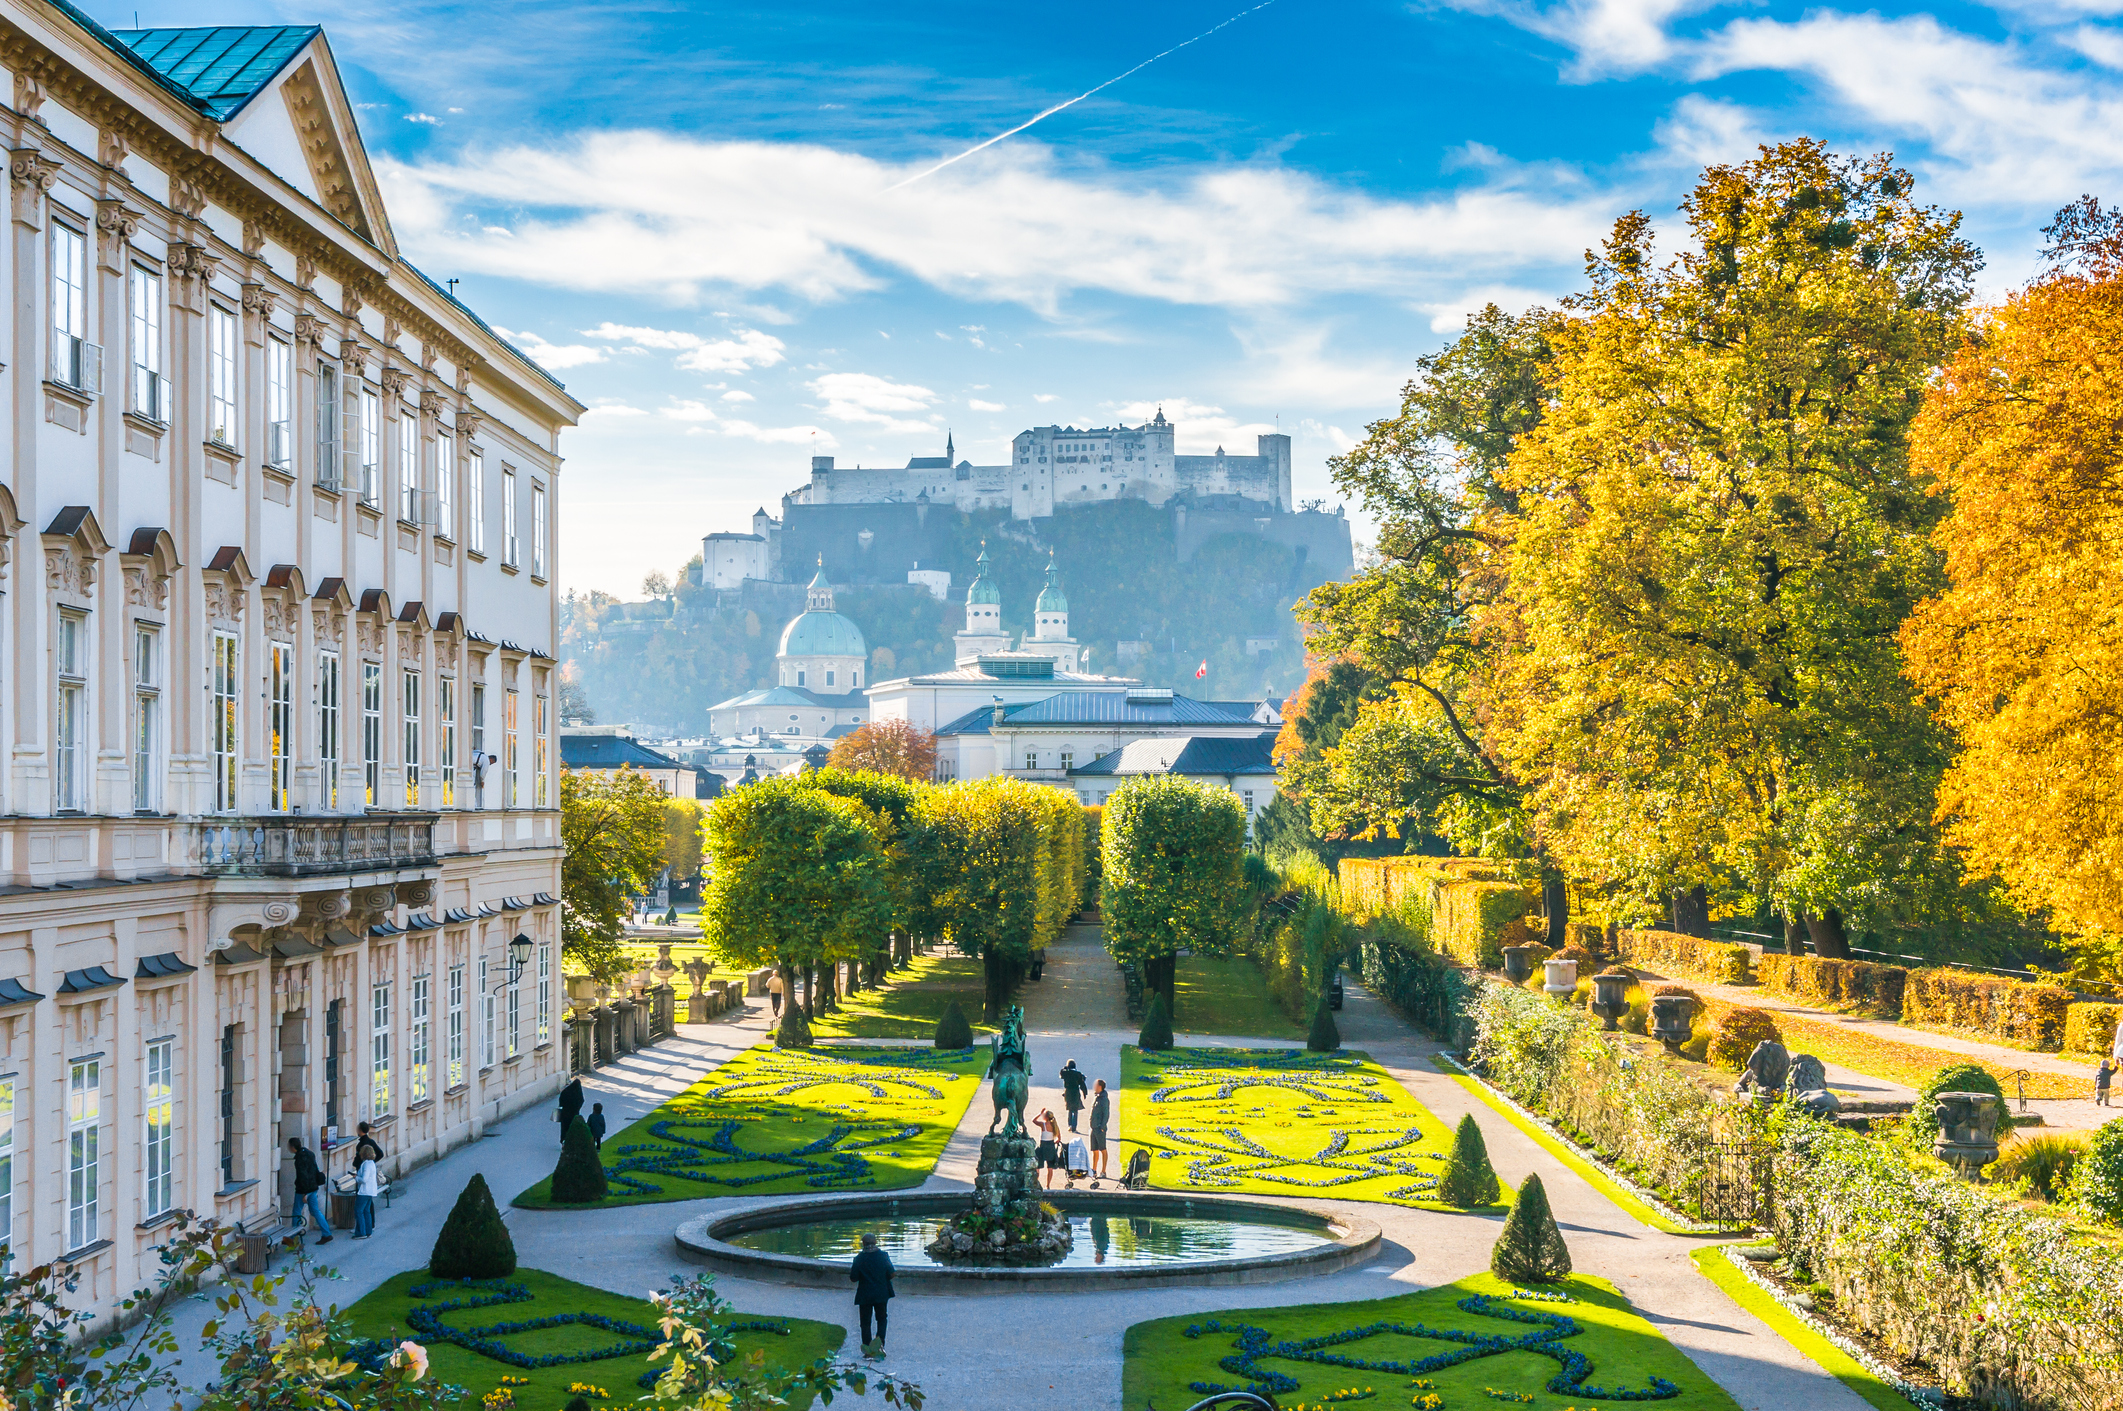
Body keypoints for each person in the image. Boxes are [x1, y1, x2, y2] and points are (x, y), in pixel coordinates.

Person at [849, 1231, 895, 1357]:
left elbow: (853, 1278)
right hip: (881, 1293)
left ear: (863, 1243)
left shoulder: (859, 1259)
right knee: (881, 1319)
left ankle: (868, 1349)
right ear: (875, 1242)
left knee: (865, 1322)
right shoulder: (883, 1256)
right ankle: (880, 1347)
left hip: (865, 1294)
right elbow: (892, 1274)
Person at [288, 1137, 332, 1244]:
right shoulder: (309, 1153)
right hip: (313, 1187)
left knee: (296, 1212)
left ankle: (294, 1239)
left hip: (303, 1189)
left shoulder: (299, 1159)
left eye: (289, 1146)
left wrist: (304, 1193)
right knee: (315, 1211)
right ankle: (327, 1234)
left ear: (293, 1147)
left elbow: (303, 1176)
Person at [1088, 1078, 1111, 1182]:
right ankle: (1094, 1169)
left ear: (1100, 1087)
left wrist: (1102, 1127)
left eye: (1096, 1085)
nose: (1094, 1086)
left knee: (1103, 1149)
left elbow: (1106, 1114)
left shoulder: (1104, 1099)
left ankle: (1104, 1171)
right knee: (1094, 1150)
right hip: (1093, 1127)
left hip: (1099, 1128)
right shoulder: (1096, 1097)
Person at [353, 1152, 380, 1239]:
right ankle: (368, 1231)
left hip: (364, 1191)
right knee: (366, 1211)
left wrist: (356, 1178)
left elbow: (364, 1179)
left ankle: (361, 1232)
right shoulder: (372, 1163)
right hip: (371, 1191)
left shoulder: (366, 1165)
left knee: (358, 1211)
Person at [1034, 1109, 1063, 1190]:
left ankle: (1036, 1183)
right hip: (1051, 1146)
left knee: (1038, 1166)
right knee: (1050, 1168)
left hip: (1043, 1146)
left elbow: (1034, 1121)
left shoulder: (1043, 1124)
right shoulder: (1054, 1125)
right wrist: (1056, 1141)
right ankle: (1048, 1185)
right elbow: (1059, 1137)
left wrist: (1040, 1113)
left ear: (1045, 1117)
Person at [1060, 1060, 1088, 1132]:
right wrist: (1085, 1093)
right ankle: (1074, 1127)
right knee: (1075, 1110)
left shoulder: (1066, 1073)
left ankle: (1069, 1125)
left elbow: (1061, 1074)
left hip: (1068, 1092)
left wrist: (1065, 1068)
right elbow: (1082, 1083)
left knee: (1069, 1109)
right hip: (1075, 1093)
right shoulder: (1078, 1074)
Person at [558, 1077, 585, 1145]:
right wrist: (577, 1108)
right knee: (572, 1127)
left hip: (565, 1113)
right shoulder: (578, 1093)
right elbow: (581, 1101)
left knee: (564, 1127)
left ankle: (563, 1139)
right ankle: (571, 1141)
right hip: (574, 1113)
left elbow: (561, 1100)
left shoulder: (566, 1091)